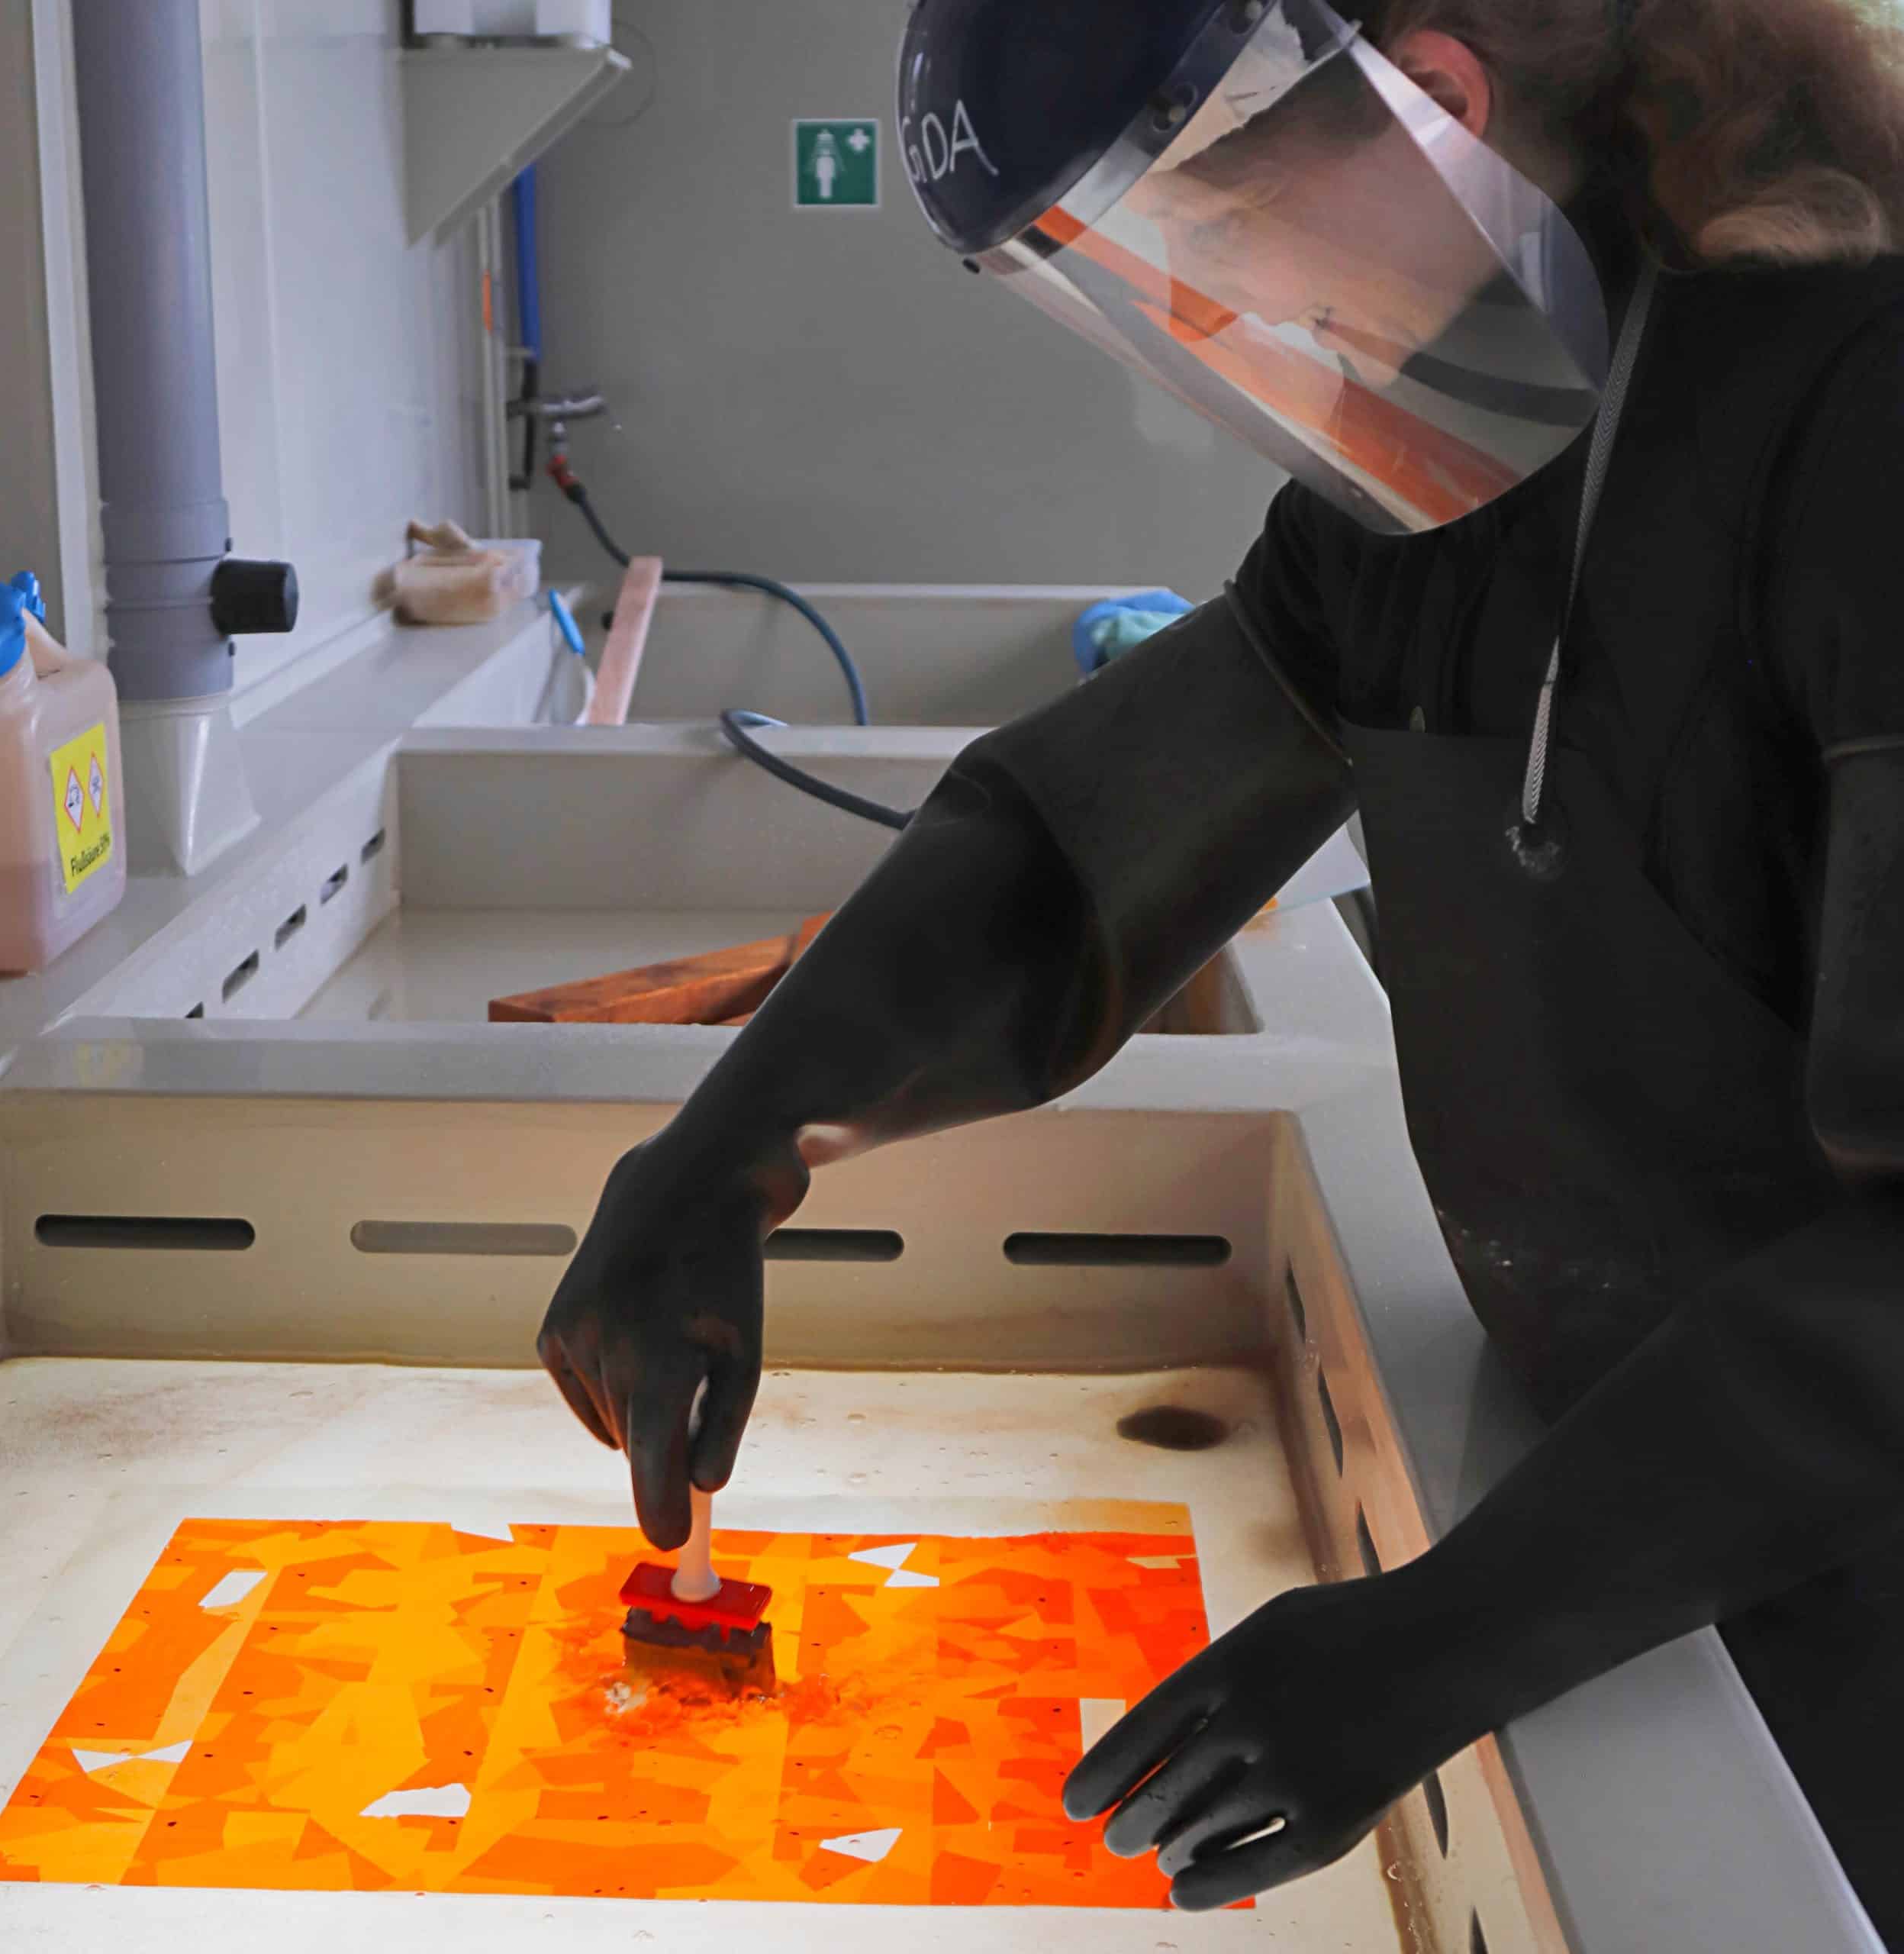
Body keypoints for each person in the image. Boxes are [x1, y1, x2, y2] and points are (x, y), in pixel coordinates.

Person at [540, 0, 1904, 1932]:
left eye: (1204, 246)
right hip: (1627, 1506)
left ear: (1427, 108)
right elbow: (1082, 841)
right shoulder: (1432, 483)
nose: (1195, 330)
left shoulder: (1859, 424)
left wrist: (1445, 1635)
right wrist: (731, 1144)